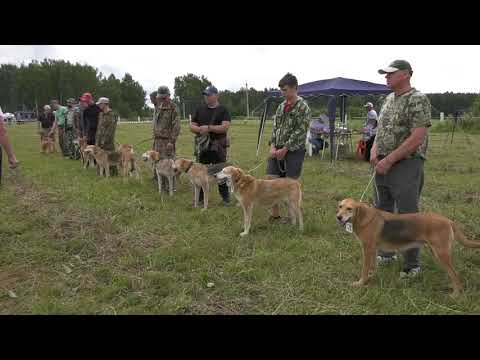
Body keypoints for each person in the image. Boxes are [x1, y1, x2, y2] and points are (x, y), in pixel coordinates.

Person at [371, 59, 432, 279]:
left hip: (406, 163)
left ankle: (412, 265)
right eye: (385, 74)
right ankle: (386, 253)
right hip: (382, 162)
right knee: (382, 210)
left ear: (405, 74)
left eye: (390, 73)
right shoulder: (387, 98)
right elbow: (381, 129)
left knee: (408, 215)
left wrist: (391, 159)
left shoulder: (418, 99)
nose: (386, 77)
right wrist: (374, 150)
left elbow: (417, 137)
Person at [267, 73, 311, 223]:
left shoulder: (303, 107)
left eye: (285, 90)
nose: (282, 93)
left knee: (290, 185)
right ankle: (275, 214)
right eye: (281, 90)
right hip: (277, 149)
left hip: (294, 151)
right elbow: (275, 128)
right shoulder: (281, 106)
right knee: (271, 181)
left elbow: (300, 132)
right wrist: (272, 146)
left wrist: (285, 149)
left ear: (294, 88)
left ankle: (293, 217)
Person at [190, 85, 231, 205]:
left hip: (218, 146)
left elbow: (225, 127)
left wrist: (209, 128)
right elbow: (191, 126)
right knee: (201, 170)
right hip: (203, 146)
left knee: (221, 170)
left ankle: (225, 198)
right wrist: (199, 130)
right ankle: (201, 199)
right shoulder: (199, 109)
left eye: (209, 95)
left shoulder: (223, 110)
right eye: (205, 95)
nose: (206, 97)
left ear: (216, 95)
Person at [153, 86, 181, 188]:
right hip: (157, 141)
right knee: (159, 162)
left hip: (168, 141)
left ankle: (172, 186)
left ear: (169, 96)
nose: (161, 100)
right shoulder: (158, 107)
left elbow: (176, 126)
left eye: (164, 98)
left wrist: (172, 141)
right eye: (160, 98)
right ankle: (162, 184)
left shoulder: (173, 108)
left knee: (169, 163)